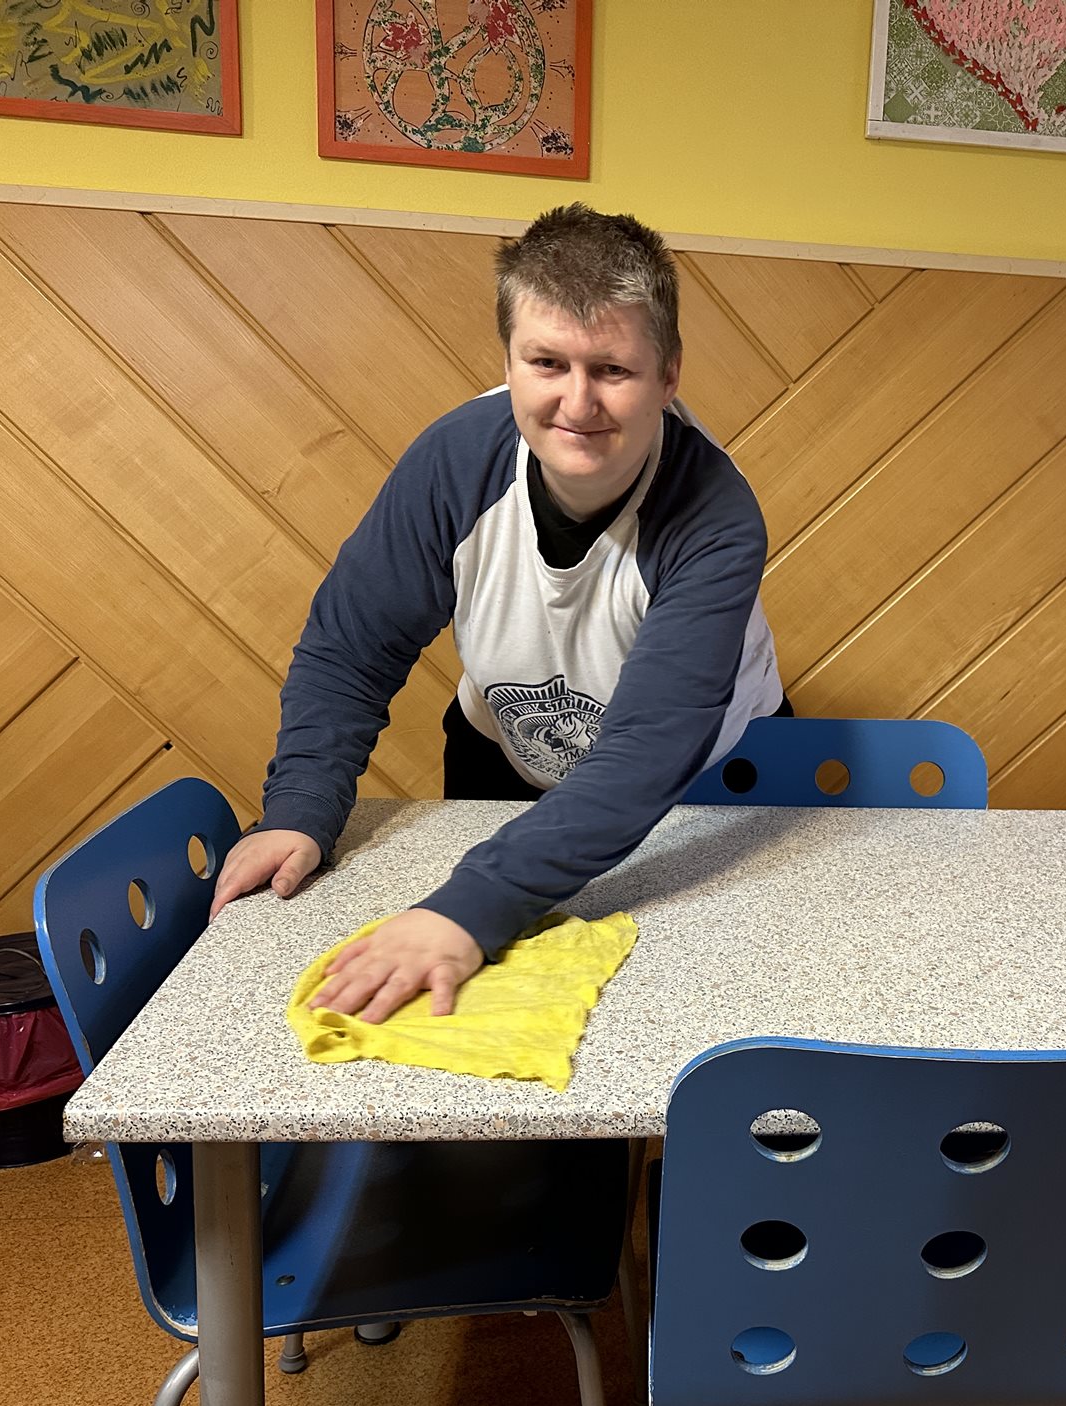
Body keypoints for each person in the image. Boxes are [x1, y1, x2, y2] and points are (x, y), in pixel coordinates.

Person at [208, 204, 785, 1021]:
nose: (578, 401)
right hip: (502, 759)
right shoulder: (454, 461)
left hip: (708, 784)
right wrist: (300, 808)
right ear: (508, 361)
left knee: (684, 1011)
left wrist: (464, 911)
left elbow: (649, 749)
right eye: (547, 362)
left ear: (668, 375)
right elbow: (353, 648)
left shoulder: (716, 517)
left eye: (612, 369)